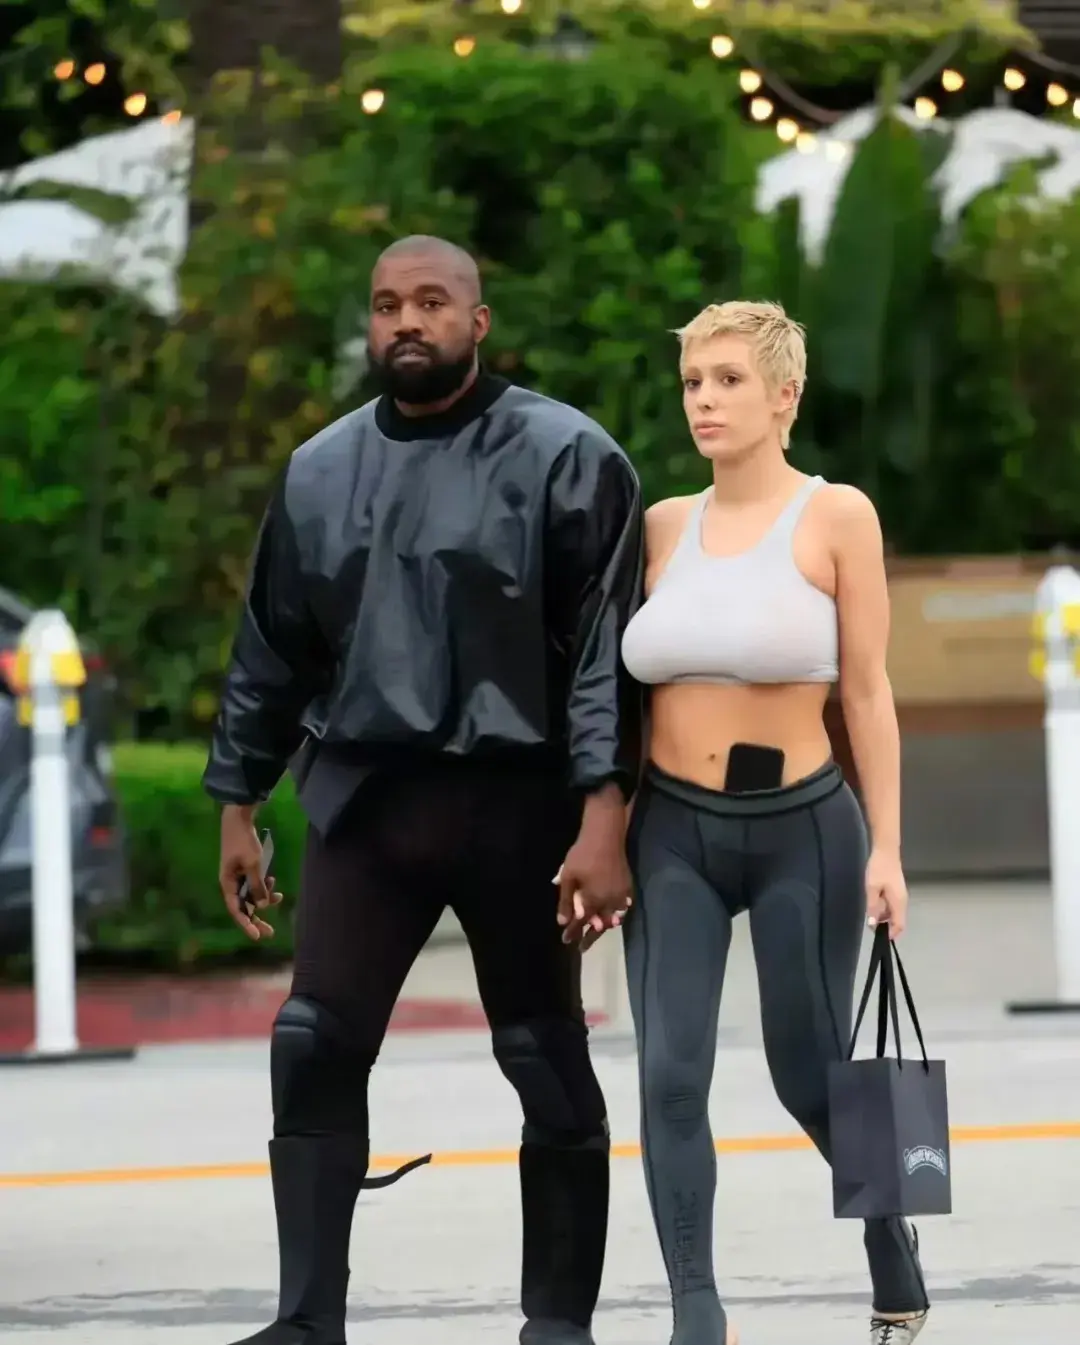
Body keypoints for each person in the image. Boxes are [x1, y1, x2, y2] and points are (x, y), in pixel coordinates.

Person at [201, 234, 644, 1345]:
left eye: (432, 301)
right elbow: (272, 648)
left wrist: (604, 814)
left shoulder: (569, 456)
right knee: (312, 1041)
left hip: (520, 809)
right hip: (370, 806)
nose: (407, 320)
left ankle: (559, 1324)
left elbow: (607, 656)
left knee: (544, 1056)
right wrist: (238, 799)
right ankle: (307, 1321)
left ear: (477, 321)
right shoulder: (319, 471)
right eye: (388, 303)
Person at [617, 301, 930, 1345]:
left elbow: (870, 693)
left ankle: (889, 1232)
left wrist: (889, 846)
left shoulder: (837, 516)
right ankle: (697, 1313)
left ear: (784, 394)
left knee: (810, 1073)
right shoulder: (661, 526)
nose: (703, 400)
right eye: (693, 382)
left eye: (728, 380)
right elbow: (613, 697)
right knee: (669, 1077)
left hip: (804, 829)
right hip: (672, 832)